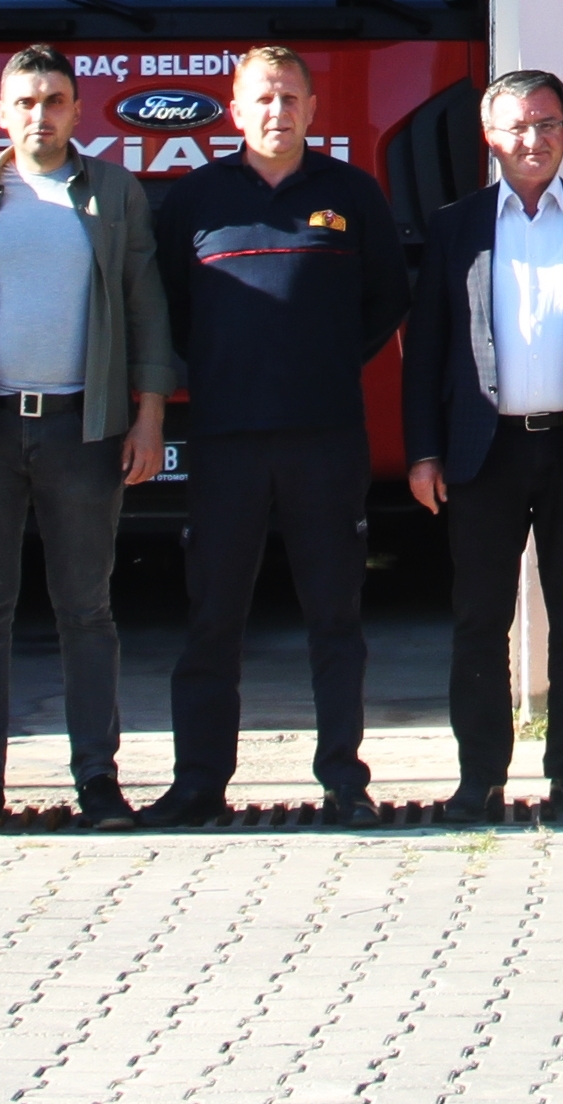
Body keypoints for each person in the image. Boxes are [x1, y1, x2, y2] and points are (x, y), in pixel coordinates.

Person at [0, 47, 176, 835]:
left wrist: (150, 413)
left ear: (76, 110)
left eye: (54, 99)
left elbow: (146, 307)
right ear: (1, 113)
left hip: (81, 427)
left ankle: (97, 778)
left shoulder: (113, 193)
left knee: (86, 609)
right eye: (24, 101)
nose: (39, 114)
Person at [153, 45, 408, 827]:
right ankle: (198, 783)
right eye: (262, 98)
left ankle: (343, 780)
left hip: (325, 438)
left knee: (335, 615)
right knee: (212, 618)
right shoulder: (194, 200)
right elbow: (171, 312)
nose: (277, 111)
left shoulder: (351, 194)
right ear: (234, 109)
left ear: (311, 108)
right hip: (227, 438)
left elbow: (384, 301)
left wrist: (317, 361)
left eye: (290, 97)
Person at [404, 68, 563, 826]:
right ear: (490, 137)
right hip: (482, 454)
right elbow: (426, 350)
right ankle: (479, 778)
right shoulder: (456, 227)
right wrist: (423, 450)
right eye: (516, 125)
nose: (532, 139)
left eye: (547, 124)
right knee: (478, 619)